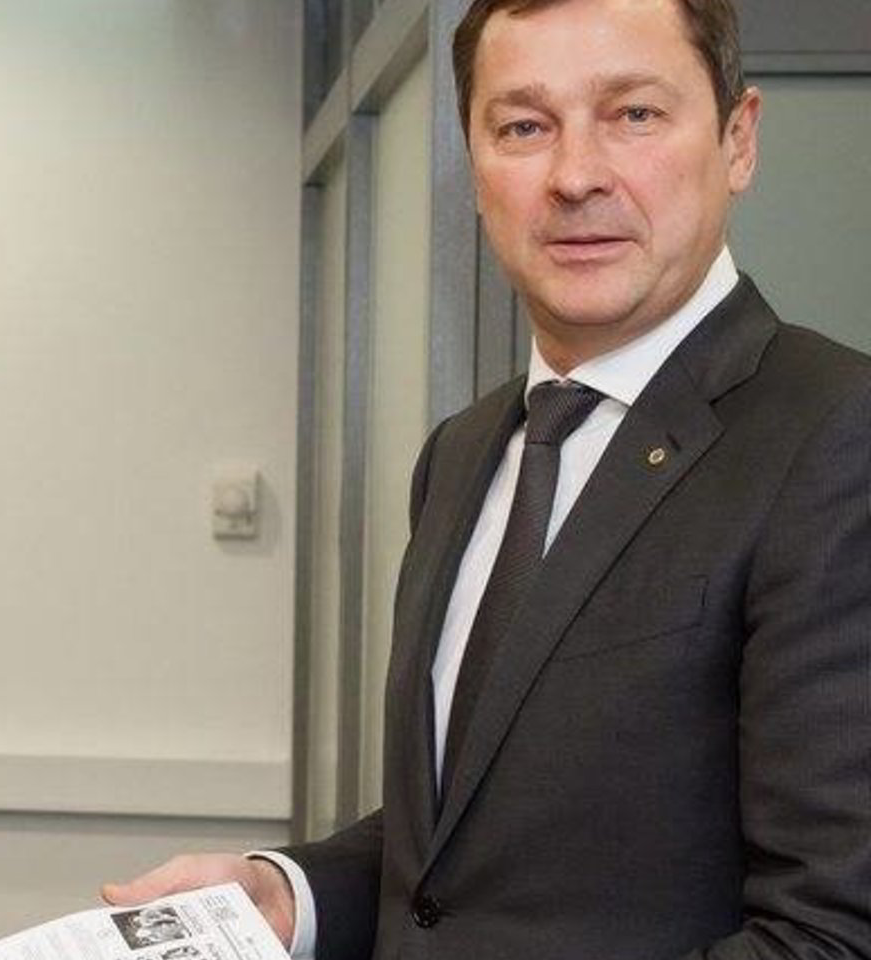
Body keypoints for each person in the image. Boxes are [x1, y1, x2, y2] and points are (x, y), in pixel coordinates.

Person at [105, 0, 871, 957]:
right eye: (523, 127)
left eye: (634, 114)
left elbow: (833, 933)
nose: (576, 176)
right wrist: (288, 895)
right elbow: (468, 851)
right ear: (472, 167)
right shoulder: (466, 452)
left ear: (739, 140)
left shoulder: (837, 436)